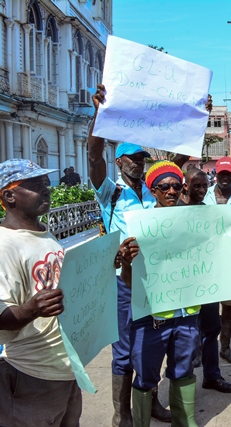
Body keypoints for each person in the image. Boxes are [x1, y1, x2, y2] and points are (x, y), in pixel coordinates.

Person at [89, 83, 186, 425]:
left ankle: (153, 401)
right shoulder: (109, 193)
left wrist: (197, 118)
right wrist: (99, 115)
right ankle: (121, 414)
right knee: (124, 351)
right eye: (132, 159)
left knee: (150, 346)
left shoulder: (154, 191)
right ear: (120, 161)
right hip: (124, 284)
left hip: (157, 281)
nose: (138, 164)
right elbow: (92, 156)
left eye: (142, 159)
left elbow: (179, 161)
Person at [0, 159, 82, 427]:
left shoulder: (43, 233)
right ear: (9, 196)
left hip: (66, 370)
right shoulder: (4, 245)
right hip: (31, 374)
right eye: (35, 185)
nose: (46, 190)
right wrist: (30, 309)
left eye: (46, 184)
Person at [122, 161, 200, 427]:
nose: (171, 191)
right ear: (152, 190)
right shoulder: (140, 225)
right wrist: (126, 262)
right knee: (145, 376)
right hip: (151, 318)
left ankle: (185, 422)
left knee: (184, 371)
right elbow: (128, 282)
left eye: (176, 186)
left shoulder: (195, 222)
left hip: (187, 315)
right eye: (164, 186)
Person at [199, 157, 231, 392]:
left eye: (229, 174)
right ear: (216, 174)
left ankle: (225, 347)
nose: (225, 177)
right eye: (221, 174)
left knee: (228, 305)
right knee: (206, 305)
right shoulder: (205, 196)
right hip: (207, 261)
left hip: (230, 260)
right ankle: (202, 349)